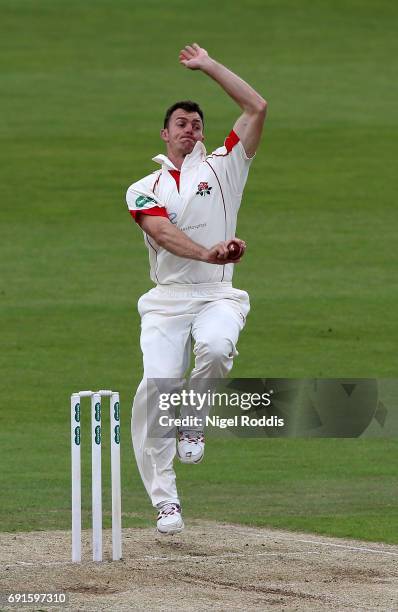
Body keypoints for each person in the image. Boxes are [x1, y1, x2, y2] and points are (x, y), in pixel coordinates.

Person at [125, 43, 267, 534]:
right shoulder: (144, 186)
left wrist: (209, 67)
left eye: (196, 124)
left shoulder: (225, 164)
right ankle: (166, 501)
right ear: (165, 134)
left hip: (217, 293)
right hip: (166, 301)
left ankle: (195, 415)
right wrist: (206, 251)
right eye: (180, 124)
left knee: (218, 345)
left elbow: (257, 107)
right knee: (157, 388)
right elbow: (161, 232)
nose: (190, 130)